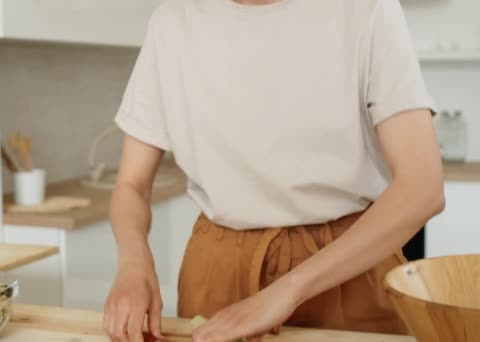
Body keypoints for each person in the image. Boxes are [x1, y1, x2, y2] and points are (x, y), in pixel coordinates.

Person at [103, 0, 444, 341]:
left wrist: (289, 289)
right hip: (216, 272)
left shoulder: (366, 9)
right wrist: (133, 263)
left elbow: (422, 189)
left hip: (346, 270)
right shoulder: (172, 22)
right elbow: (131, 184)